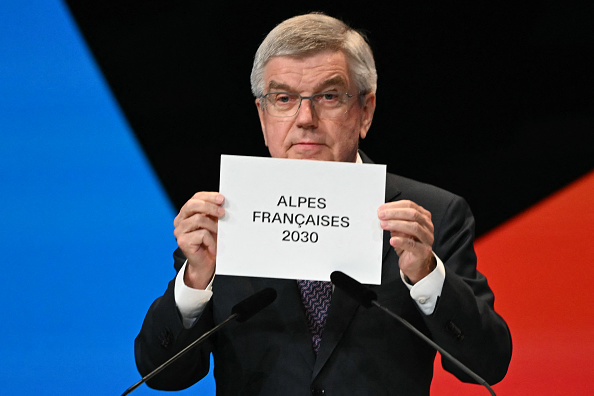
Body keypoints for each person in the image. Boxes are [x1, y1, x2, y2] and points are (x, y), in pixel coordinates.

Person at [134, 12, 512, 395]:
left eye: (329, 96)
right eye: (283, 99)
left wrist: (427, 275)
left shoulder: (433, 215)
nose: (305, 119)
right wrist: (196, 282)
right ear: (263, 116)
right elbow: (162, 374)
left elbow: (488, 363)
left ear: (365, 111)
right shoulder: (223, 218)